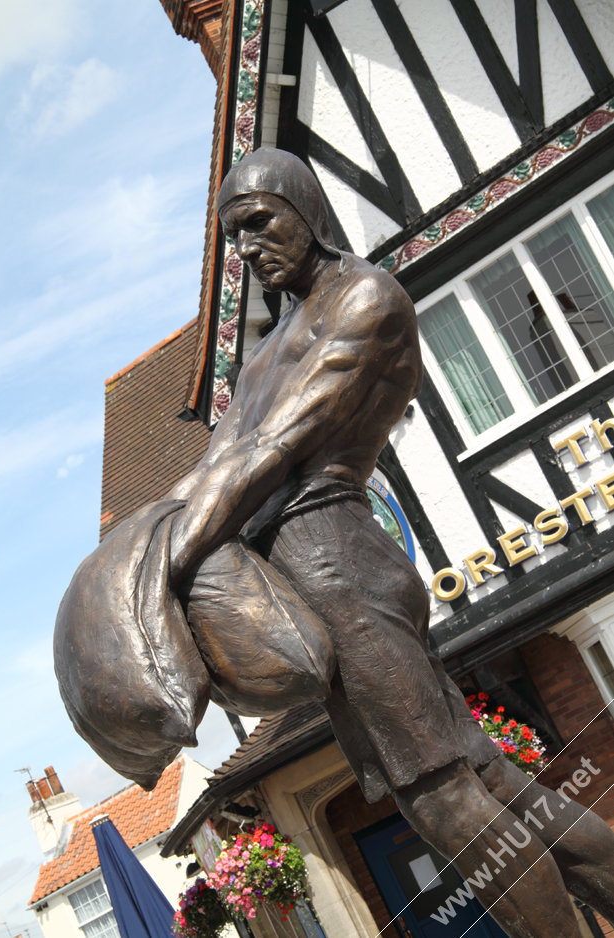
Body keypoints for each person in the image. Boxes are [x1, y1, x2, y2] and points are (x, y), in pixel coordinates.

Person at [56, 148, 614, 938]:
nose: (248, 249)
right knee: (493, 784)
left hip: (342, 569)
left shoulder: (366, 300)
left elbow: (271, 452)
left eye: (258, 223)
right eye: (235, 237)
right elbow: (210, 469)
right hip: (306, 582)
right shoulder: (260, 359)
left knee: (441, 799)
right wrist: (119, 570)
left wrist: (162, 568)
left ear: (305, 209)